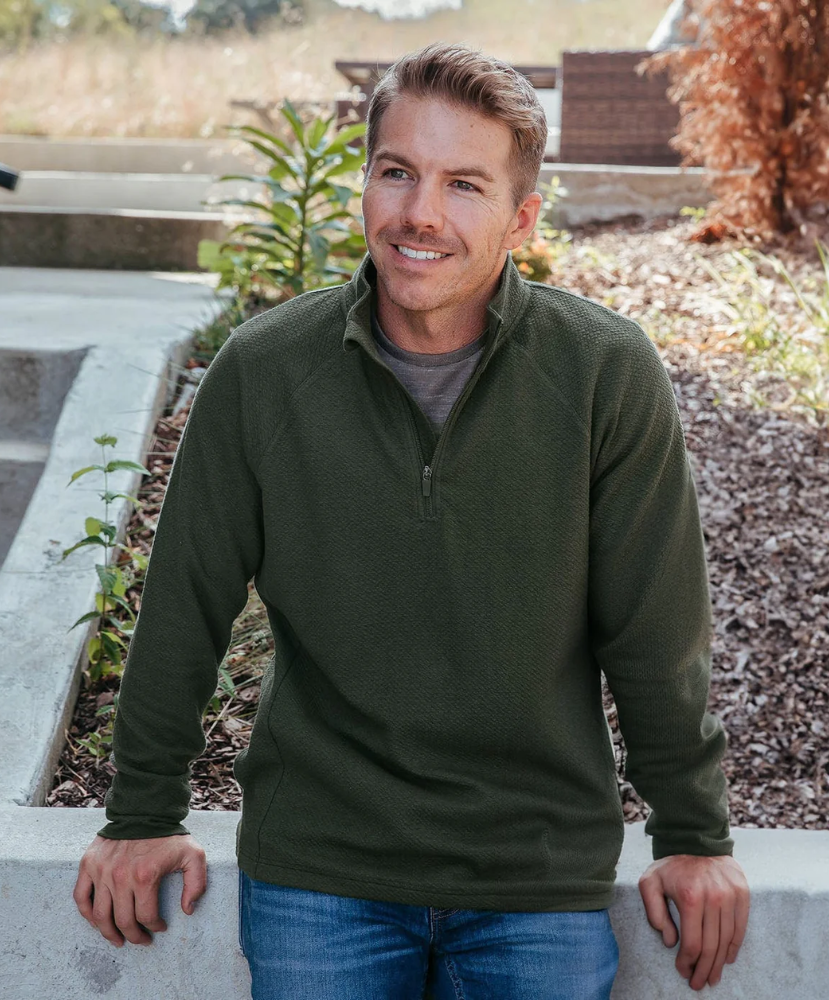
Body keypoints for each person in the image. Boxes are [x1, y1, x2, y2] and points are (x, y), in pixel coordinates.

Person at [73, 42, 750, 999]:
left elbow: (655, 631)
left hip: (534, 871)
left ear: (520, 219)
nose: (420, 213)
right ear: (365, 186)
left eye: (463, 185)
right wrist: (142, 815)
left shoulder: (603, 373)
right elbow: (184, 605)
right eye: (396, 172)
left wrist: (690, 835)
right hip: (321, 867)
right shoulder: (263, 371)